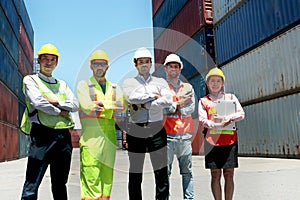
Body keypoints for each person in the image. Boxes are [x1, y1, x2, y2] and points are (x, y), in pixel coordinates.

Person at [20, 43, 79, 200]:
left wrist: (53, 102)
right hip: (41, 136)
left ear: (56, 62)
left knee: (60, 184)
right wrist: (61, 110)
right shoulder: (30, 80)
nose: (48, 62)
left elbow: (75, 105)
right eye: (45, 58)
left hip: (63, 138)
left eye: (52, 59)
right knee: (32, 183)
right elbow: (38, 103)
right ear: (39, 61)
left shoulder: (63, 85)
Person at [122, 47, 173, 200]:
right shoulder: (129, 83)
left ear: (151, 63)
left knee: (161, 171)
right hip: (136, 129)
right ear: (135, 64)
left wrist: (148, 104)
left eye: (147, 61)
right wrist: (153, 96)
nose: (144, 64)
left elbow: (168, 100)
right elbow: (132, 98)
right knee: (136, 172)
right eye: (140, 62)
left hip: (156, 129)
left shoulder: (160, 82)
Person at [77, 49, 125, 200]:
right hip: (91, 139)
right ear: (91, 66)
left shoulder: (115, 88)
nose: (99, 66)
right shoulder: (84, 85)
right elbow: (86, 106)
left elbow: (122, 106)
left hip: (109, 138)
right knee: (91, 174)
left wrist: (101, 105)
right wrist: (110, 107)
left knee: (107, 175)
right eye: (96, 63)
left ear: (107, 67)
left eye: (102, 64)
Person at [198, 67, 245, 200]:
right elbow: (202, 120)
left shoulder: (231, 97)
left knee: (229, 174)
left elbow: (241, 114)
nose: (215, 83)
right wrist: (217, 124)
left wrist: (229, 119)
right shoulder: (203, 101)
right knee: (215, 174)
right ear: (208, 83)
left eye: (218, 81)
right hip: (212, 142)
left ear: (222, 83)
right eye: (212, 81)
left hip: (229, 141)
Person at [163, 54, 195, 200]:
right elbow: (162, 109)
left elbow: (191, 109)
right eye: (171, 66)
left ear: (180, 69)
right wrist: (181, 103)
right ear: (166, 69)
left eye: (176, 66)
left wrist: (173, 106)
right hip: (167, 136)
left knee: (187, 172)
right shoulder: (162, 89)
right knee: (165, 173)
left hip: (185, 136)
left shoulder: (188, 88)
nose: (173, 69)